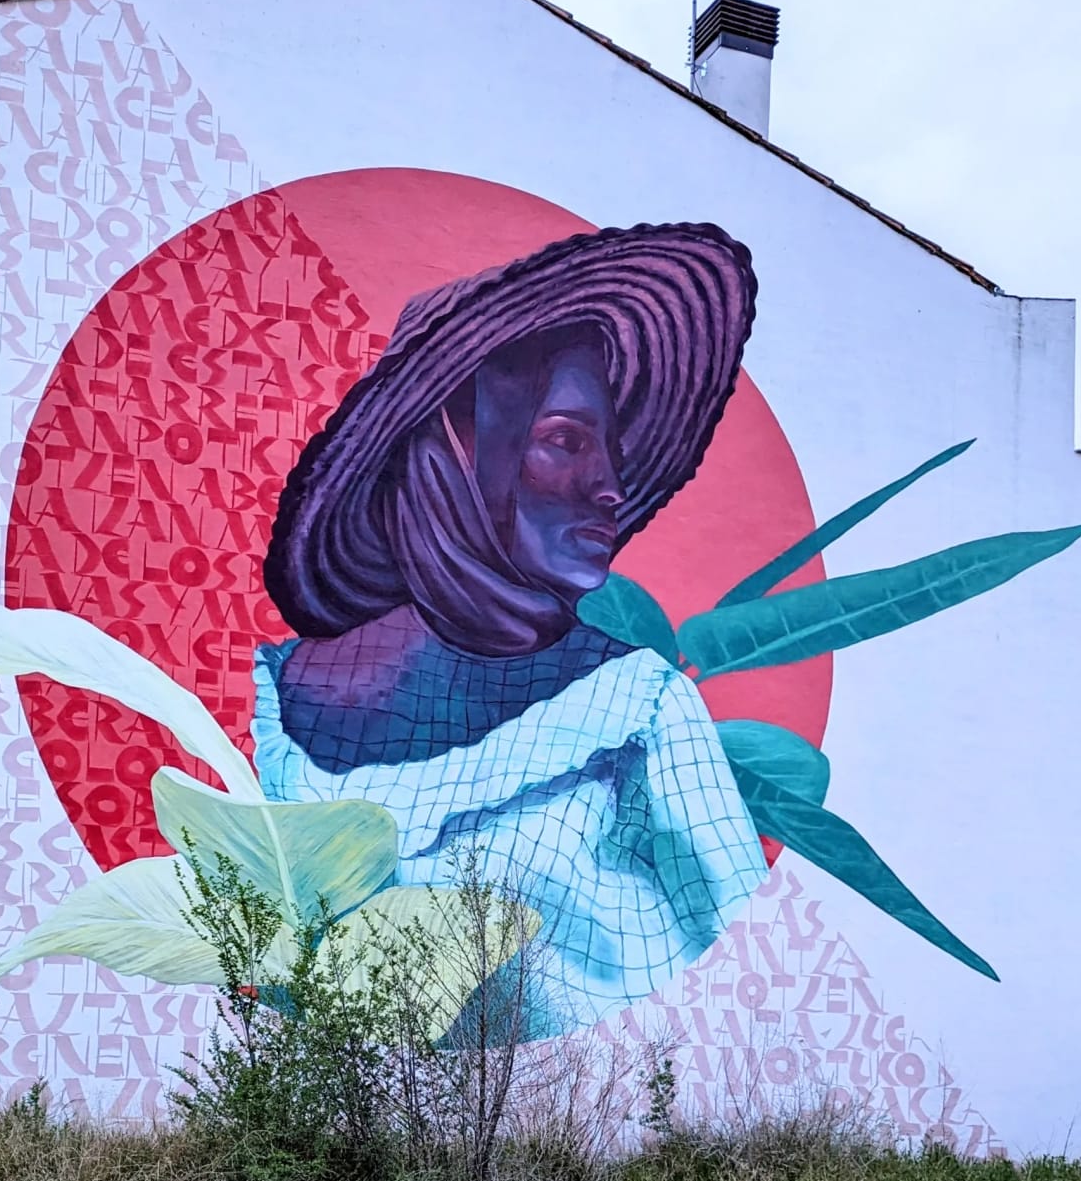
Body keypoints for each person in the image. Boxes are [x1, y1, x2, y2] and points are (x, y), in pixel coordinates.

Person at [252, 222, 770, 1035]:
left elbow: (750, 971)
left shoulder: (641, 707)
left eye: (611, 450)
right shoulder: (275, 714)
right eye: (565, 441)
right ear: (454, 454)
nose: (609, 486)